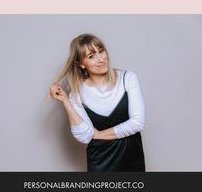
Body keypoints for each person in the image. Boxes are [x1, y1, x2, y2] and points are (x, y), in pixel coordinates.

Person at [49, 33, 145, 171]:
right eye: (91, 56)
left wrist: (98, 135)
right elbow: (85, 136)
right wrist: (65, 101)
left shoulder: (127, 79)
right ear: (81, 64)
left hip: (132, 158)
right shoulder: (76, 94)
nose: (101, 59)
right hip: (100, 161)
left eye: (101, 51)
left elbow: (137, 123)